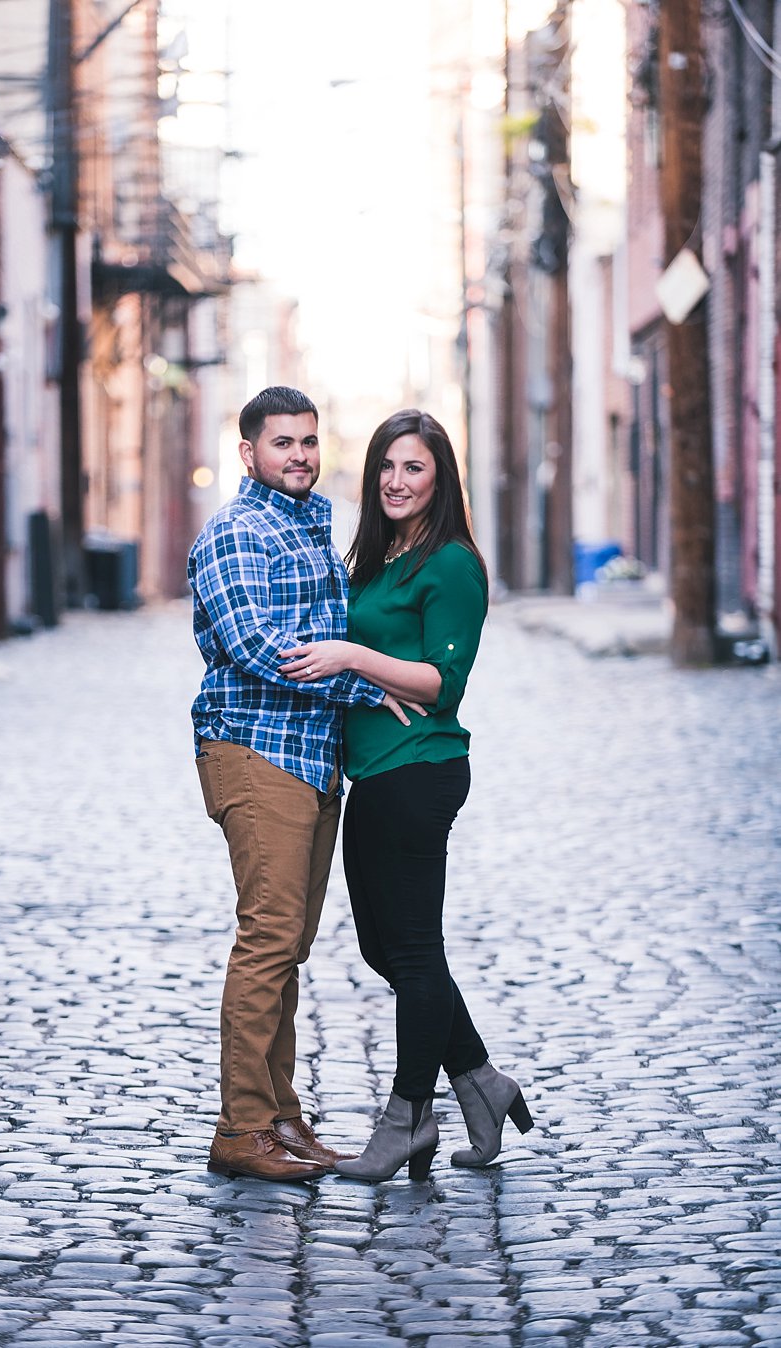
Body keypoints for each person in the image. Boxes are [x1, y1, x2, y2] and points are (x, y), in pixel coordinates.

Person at [279, 408, 534, 1181]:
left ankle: (409, 1116)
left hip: (419, 770)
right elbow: (384, 665)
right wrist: (360, 673)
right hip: (377, 771)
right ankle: (482, 1082)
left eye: (414, 468)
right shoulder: (383, 557)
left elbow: (442, 683)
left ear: (440, 478)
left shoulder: (451, 563)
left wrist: (353, 654)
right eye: (387, 466)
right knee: (382, 948)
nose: (396, 480)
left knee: (415, 952)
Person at [188, 386, 409, 1183]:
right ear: (249, 453)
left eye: (309, 442)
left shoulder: (309, 526)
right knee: (267, 942)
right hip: (256, 752)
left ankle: (281, 1116)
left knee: (288, 948)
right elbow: (256, 644)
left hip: (314, 760)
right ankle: (240, 1129)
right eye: (283, 444)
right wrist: (359, 681)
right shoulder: (237, 533)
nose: (300, 457)